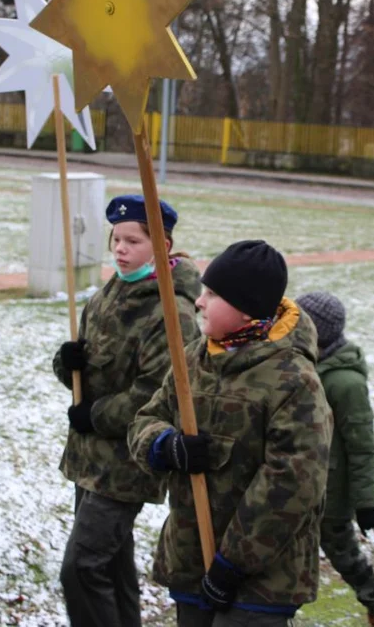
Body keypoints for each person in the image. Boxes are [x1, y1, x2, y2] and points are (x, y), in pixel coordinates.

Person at [128, 240, 333, 627]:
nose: (199, 302)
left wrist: (232, 563)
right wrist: (165, 444)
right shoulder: (193, 357)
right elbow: (146, 417)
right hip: (191, 556)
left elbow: (292, 481)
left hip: (261, 579)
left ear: (246, 309)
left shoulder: (293, 380)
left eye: (213, 294)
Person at [53, 195, 201, 627]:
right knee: (113, 566)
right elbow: (89, 371)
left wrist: (95, 415)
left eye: (133, 240)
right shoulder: (108, 293)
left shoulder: (172, 312)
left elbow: (158, 393)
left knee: (81, 567)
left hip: (126, 464)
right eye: (116, 239)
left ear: (163, 245)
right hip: (89, 456)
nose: (120, 248)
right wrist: (69, 363)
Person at [296, 291, 374, 627]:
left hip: (332, 494)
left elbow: (362, 447)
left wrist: (365, 503)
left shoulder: (346, 383)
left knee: (345, 556)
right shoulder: (302, 364)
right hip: (298, 483)